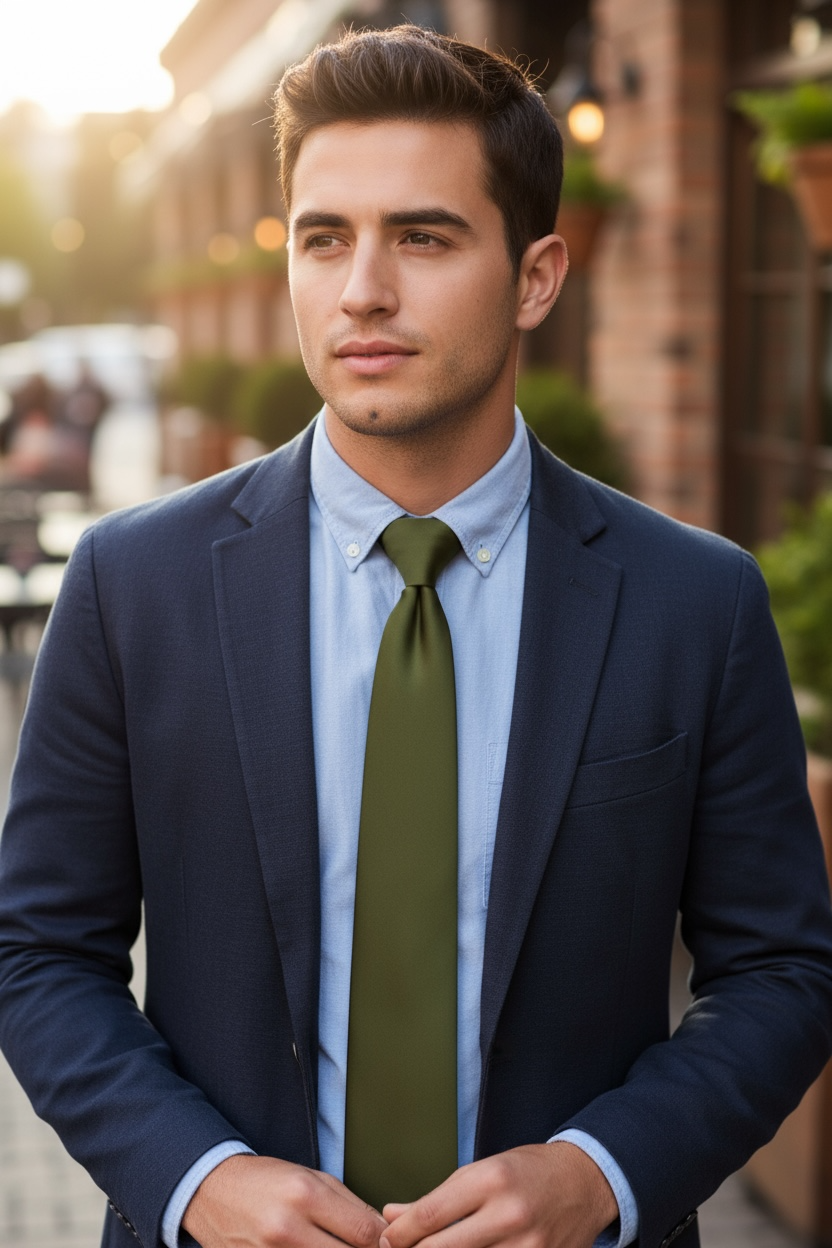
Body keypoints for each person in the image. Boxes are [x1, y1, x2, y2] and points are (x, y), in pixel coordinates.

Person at [1, 24, 832, 1248]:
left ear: (538, 276)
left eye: (423, 237)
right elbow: (39, 953)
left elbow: (780, 975)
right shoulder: (134, 586)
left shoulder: (693, 604)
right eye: (323, 237)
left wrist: (598, 1172)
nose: (361, 291)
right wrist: (196, 1177)